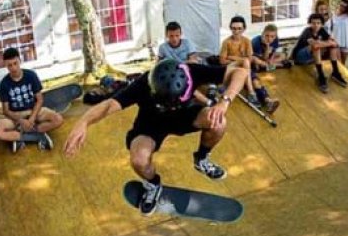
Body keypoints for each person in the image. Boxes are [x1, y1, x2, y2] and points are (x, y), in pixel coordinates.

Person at [64, 59, 246, 215]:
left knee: (219, 122)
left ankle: (201, 159)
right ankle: (153, 184)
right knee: (138, 160)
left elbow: (240, 71)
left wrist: (224, 102)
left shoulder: (192, 71)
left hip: (185, 116)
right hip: (150, 124)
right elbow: (109, 105)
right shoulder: (143, 84)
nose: (171, 105)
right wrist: (83, 122)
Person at [0, 48, 63, 152]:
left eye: (15, 63)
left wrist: (31, 119)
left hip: (33, 110)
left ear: (20, 61)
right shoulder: (4, 83)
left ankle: (26, 134)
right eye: (9, 65)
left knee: (58, 119)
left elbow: (39, 99)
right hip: (16, 116)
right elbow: (6, 111)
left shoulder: (31, 75)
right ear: (5, 65)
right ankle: (33, 137)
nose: (13, 68)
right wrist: (21, 121)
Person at [219, 16, 279, 113]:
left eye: (239, 29)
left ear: (244, 29)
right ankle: (251, 93)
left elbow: (250, 58)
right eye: (234, 28)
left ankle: (267, 101)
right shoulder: (226, 42)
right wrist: (240, 61)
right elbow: (222, 61)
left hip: (245, 69)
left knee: (256, 81)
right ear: (230, 28)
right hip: (232, 69)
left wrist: (232, 57)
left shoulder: (246, 41)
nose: (236, 31)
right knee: (245, 62)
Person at [291, 13, 348, 93]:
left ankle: (335, 72)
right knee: (316, 47)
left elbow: (334, 42)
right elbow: (314, 45)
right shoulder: (307, 31)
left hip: (313, 57)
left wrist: (329, 43)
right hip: (300, 57)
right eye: (313, 23)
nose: (316, 25)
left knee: (332, 47)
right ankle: (321, 76)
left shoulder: (322, 30)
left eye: (318, 23)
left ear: (321, 24)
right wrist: (328, 43)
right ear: (310, 23)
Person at [326, 0, 348, 65]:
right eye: (341, 5)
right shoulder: (333, 16)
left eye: (344, 6)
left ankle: (343, 75)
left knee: (342, 64)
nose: (342, 7)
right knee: (336, 63)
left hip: (345, 43)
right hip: (336, 43)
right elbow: (328, 26)